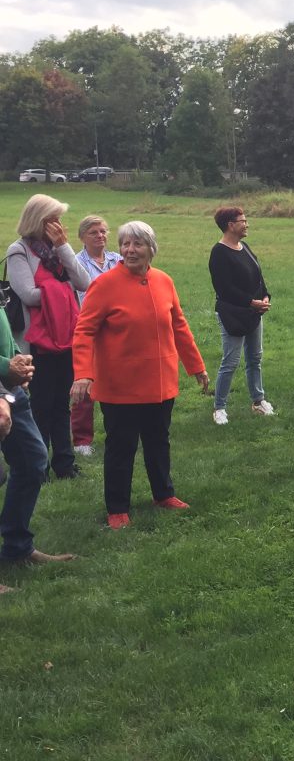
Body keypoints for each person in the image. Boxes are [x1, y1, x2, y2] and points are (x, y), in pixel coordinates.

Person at [70, 221, 209, 530]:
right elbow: (84, 332)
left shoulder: (164, 281)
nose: (129, 250)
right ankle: (117, 508)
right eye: (125, 244)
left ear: (151, 249)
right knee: (121, 447)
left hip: (161, 383)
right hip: (121, 387)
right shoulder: (105, 285)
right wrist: (83, 374)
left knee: (159, 441)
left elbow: (179, 325)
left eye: (137, 244)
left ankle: (164, 495)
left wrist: (196, 366)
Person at [7, 194, 91, 478]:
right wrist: (62, 291)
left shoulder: (56, 250)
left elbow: (83, 282)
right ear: (37, 220)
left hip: (67, 338)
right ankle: (38, 465)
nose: (58, 224)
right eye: (52, 219)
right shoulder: (19, 251)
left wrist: (64, 247)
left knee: (61, 405)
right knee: (41, 405)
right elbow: (28, 294)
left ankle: (64, 464)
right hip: (37, 342)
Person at [0, 305, 75, 590]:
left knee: (33, 461)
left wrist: (17, 359)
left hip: (10, 388)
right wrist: (7, 367)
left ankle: (17, 547)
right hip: (3, 386)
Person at [209, 207, 274, 425]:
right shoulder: (219, 252)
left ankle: (258, 401)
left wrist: (264, 296)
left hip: (254, 312)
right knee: (231, 361)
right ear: (230, 225)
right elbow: (224, 288)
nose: (247, 224)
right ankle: (219, 408)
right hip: (233, 314)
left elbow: (258, 276)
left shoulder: (244, 247)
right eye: (243, 220)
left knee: (255, 358)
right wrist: (249, 302)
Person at [71, 215, 122, 456]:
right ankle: (81, 440)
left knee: (120, 381)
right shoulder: (74, 264)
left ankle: (123, 429)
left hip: (118, 329)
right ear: (82, 237)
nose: (100, 236)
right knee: (85, 384)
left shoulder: (118, 260)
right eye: (93, 232)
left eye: (103, 231)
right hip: (89, 329)